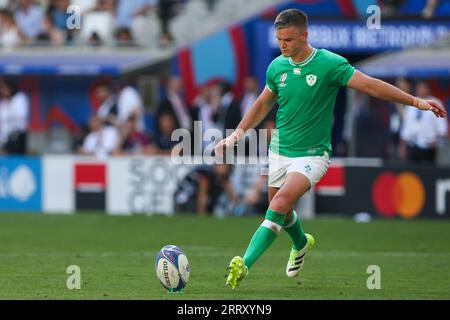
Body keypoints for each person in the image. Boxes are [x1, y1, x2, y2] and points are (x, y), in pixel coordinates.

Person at [214, 9, 447, 289]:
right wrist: (237, 134)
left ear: (304, 35)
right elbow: (263, 103)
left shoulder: (329, 64)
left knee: (277, 205)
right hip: (279, 152)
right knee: (283, 211)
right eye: (279, 39)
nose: (283, 45)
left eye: (288, 39)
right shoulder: (277, 67)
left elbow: (371, 86)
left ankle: (244, 263)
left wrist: (417, 102)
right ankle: (301, 242)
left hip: (312, 154)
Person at [398, 81, 448, 164]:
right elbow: (407, 126)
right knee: (411, 171)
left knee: (427, 170)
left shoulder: (435, 103)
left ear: (428, 89)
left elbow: (442, 125)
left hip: (428, 145)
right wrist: (402, 144)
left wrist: (437, 140)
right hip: (413, 144)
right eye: (419, 87)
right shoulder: (411, 102)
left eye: (423, 87)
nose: (421, 90)